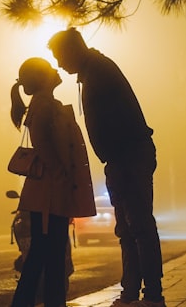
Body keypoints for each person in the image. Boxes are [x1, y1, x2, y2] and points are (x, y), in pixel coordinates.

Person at [47, 28, 166, 307]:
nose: (59, 64)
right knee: (127, 228)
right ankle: (132, 290)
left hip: (129, 156)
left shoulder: (98, 71)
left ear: (73, 50)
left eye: (59, 56)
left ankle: (151, 293)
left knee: (138, 225)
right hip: (121, 157)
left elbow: (113, 121)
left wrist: (113, 159)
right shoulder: (94, 71)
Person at [9, 57, 96, 307]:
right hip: (50, 194)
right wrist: (63, 179)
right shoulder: (45, 106)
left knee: (44, 254)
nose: (56, 70)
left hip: (47, 192)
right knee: (51, 255)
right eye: (49, 69)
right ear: (42, 79)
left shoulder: (44, 104)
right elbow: (45, 147)